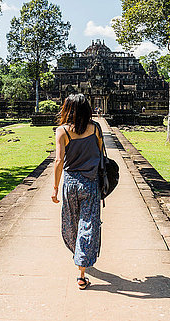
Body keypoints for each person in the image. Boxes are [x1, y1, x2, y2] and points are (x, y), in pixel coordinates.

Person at [51, 93, 103, 290]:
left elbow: (58, 161)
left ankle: (79, 256)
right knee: (88, 223)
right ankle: (82, 271)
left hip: (70, 183)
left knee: (71, 222)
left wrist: (55, 188)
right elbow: (99, 154)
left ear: (67, 109)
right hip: (90, 183)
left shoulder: (62, 131)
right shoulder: (95, 128)